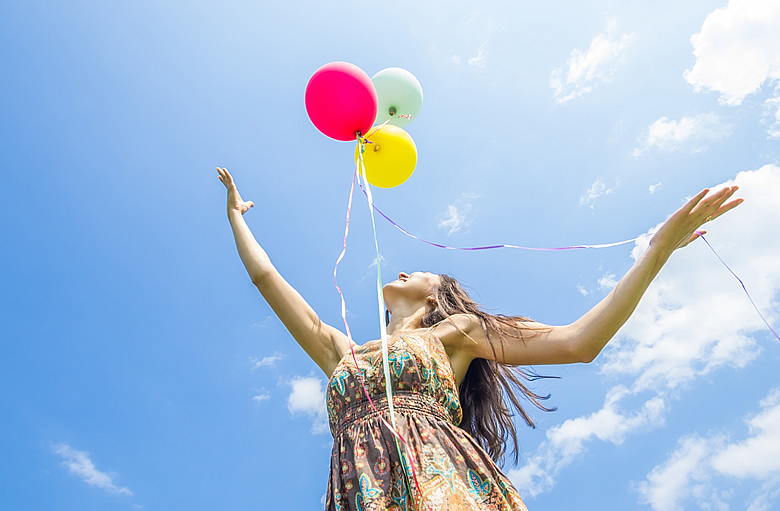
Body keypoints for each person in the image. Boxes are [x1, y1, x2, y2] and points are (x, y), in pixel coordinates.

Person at [216, 166, 743, 510]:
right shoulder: (343, 352)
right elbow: (267, 280)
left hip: (442, 476)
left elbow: (579, 341)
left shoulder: (457, 333)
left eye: (418, 271)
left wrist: (657, 251)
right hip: (359, 491)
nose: (402, 271)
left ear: (436, 296)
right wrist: (237, 219)